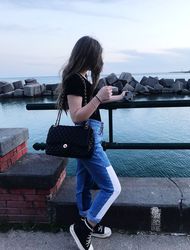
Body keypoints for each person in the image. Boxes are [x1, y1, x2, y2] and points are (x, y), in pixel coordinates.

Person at [57, 36, 126, 250]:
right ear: (89, 55)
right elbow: (77, 115)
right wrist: (98, 98)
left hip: (88, 136)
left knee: (84, 182)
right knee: (113, 187)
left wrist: (118, 97)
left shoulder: (81, 78)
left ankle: (88, 222)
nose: (100, 59)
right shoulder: (75, 80)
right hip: (88, 136)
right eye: (98, 55)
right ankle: (86, 227)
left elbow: (93, 103)